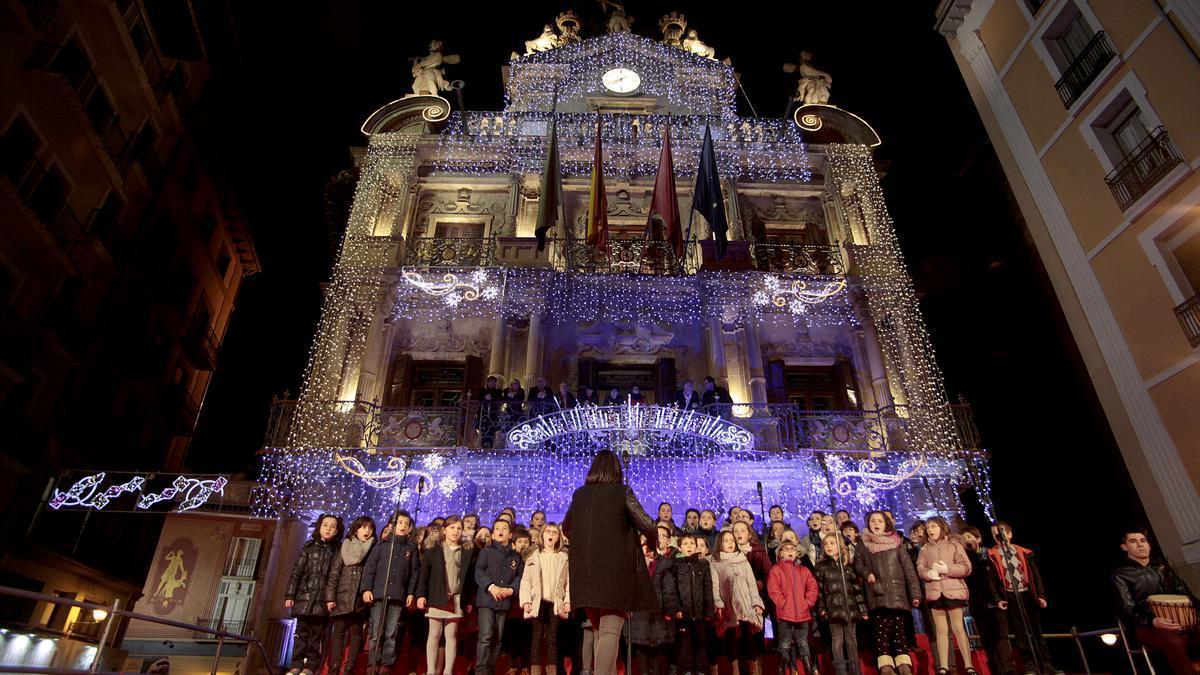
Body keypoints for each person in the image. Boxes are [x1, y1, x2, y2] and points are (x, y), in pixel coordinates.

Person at [562, 450, 659, 675]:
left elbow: (566, 528)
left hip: (584, 573)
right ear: (616, 470)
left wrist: (588, 545)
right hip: (615, 572)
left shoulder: (580, 495)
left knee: (599, 630)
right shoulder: (621, 492)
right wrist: (651, 545)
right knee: (609, 631)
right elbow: (649, 525)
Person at [1112, 528, 1199, 675]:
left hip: (1179, 620)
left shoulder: (1163, 568)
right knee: (1174, 642)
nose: (1140, 545)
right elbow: (1128, 610)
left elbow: (1187, 596)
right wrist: (1152, 621)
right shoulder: (1120, 575)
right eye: (1133, 541)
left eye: (1143, 541)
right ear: (1124, 547)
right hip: (1146, 625)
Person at [987, 522, 1060, 674]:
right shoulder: (992, 555)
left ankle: (1046, 664)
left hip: (1027, 594)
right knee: (1020, 632)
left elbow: (1035, 576)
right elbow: (992, 581)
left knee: (1036, 631)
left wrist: (1040, 595)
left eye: (1000, 532)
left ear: (1009, 534)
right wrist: (997, 599)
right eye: (994, 533)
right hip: (1011, 595)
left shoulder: (1023, 552)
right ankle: (1029, 664)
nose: (997, 535)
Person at [854, 511, 921, 675]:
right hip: (877, 592)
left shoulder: (897, 543)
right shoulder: (863, 544)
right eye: (872, 521)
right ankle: (886, 666)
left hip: (897, 591)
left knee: (899, 630)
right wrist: (866, 573)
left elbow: (909, 570)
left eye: (879, 521)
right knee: (881, 631)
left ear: (886, 524)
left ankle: (904, 665)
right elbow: (857, 564)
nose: (876, 523)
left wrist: (915, 594)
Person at [361, 510, 420, 674]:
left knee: (391, 633)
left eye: (406, 524)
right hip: (379, 595)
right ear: (392, 525)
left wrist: (410, 593)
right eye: (400, 523)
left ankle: (386, 664)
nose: (403, 526)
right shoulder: (382, 546)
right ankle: (372, 664)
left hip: (398, 596)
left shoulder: (411, 548)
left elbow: (415, 573)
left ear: (410, 528)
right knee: (376, 632)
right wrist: (366, 589)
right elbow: (370, 569)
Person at [417, 515, 476, 675]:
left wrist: (468, 600)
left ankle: (448, 670)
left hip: (456, 597)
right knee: (434, 633)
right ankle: (430, 670)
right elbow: (424, 575)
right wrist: (421, 595)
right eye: (452, 528)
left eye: (458, 528)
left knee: (451, 634)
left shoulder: (466, 552)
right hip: (437, 595)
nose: (455, 531)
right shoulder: (433, 551)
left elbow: (469, 579)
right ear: (444, 530)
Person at [916, 517, 974, 675]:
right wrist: (928, 573)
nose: (930, 529)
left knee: (958, 628)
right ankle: (943, 666)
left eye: (933, 526)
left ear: (942, 527)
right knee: (941, 630)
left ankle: (969, 665)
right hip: (935, 592)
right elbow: (920, 567)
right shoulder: (925, 548)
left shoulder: (953, 545)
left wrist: (947, 569)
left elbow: (966, 567)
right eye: (928, 527)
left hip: (952, 590)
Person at [285, 514, 342, 675]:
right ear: (319, 527)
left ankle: (310, 665)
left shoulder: (337, 551)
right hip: (304, 597)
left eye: (332, 526)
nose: (328, 529)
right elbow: (296, 573)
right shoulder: (308, 548)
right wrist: (290, 595)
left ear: (337, 530)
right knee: (300, 633)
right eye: (325, 525)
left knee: (317, 635)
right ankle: (295, 664)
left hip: (322, 600)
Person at [961, 526, 1016, 675]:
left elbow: (996, 579)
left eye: (968, 537)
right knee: (987, 640)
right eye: (964, 538)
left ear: (977, 539)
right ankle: (995, 669)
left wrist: (999, 598)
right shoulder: (965, 559)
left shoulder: (989, 555)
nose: (966, 541)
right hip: (978, 604)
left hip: (995, 602)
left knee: (1001, 638)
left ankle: (1008, 669)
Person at [325, 515, 375, 675]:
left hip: (360, 599)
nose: (366, 531)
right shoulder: (345, 546)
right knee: (338, 633)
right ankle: (334, 667)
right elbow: (334, 573)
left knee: (356, 634)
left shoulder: (373, 548)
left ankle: (349, 667)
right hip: (342, 596)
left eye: (370, 528)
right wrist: (330, 597)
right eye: (363, 527)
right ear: (356, 529)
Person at [474, 518, 524, 675]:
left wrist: (511, 590)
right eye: (497, 528)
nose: (500, 531)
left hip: (504, 601)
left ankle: (491, 669)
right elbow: (479, 571)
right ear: (493, 534)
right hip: (487, 600)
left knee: (497, 638)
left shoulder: (515, 556)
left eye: (504, 528)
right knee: (486, 635)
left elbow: (520, 577)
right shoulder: (486, 552)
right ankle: (481, 670)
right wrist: (491, 587)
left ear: (510, 535)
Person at [815, 533, 869, 675]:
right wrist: (821, 608)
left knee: (851, 640)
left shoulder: (847, 566)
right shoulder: (821, 566)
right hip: (834, 610)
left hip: (850, 609)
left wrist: (863, 610)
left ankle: (855, 670)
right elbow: (819, 590)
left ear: (840, 546)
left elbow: (856, 590)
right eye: (826, 544)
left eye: (832, 543)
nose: (829, 547)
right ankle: (841, 671)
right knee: (837, 640)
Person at [521, 523, 572, 675]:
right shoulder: (534, 557)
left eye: (554, 532)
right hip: (539, 602)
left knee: (552, 639)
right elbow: (525, 581)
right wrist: (526, 601)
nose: (551, 534)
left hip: (555, 603)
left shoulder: (563, 557)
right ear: (542, 535)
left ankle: (552, 671)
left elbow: (569, 581)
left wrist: (567, 600)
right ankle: (535, 671)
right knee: (536, 638)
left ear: (558, 537)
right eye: (548, 531)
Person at [665, 534, 717, 675]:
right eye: (685, 543)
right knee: (685, 646)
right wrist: (677, 608)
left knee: (700, 644)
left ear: (696, 546)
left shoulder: (703, 564)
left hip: (699, 614)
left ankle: (700, 670)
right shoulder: (675, 565)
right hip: (684, 615)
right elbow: (673, 590)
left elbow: (708, 588)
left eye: (691, 543)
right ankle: (686, 671)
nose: (689, 546)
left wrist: (708, 611)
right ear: (680, 547)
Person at [769, 539, 819, 675]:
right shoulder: (776, 569)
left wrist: (808, 602)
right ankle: (782, 670)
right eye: (786, 549)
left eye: (792, 548)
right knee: (785, 643)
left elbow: (812, 587)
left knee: (803, 642)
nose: (790, 551)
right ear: (780, 554)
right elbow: (773, 589)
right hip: (785, 614)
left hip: (802, 613)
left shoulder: (804, 570)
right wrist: (783, 604)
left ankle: (808, 669)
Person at [630, 533, 675, 675]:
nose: (646, 548)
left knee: (658, 646)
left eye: (649, 545)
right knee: (641, 645)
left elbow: (669, 589)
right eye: (643, 544)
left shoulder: (663, 564)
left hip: (658, 612)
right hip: (639, 613)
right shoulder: (634, 563)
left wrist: (668, 610)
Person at [478, 376, 504, 448]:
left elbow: (499, 399)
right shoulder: (482, 390)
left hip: (493, 413)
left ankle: (491, 446)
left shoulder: (498, 391)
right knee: (484, 429)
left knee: (492, 430)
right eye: (491, 382)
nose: (493, 383)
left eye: (494, 382)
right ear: (488, 382)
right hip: (484, 413)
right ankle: (483, 446)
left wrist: (492, 398)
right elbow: (479, 399)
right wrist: (484, 398)